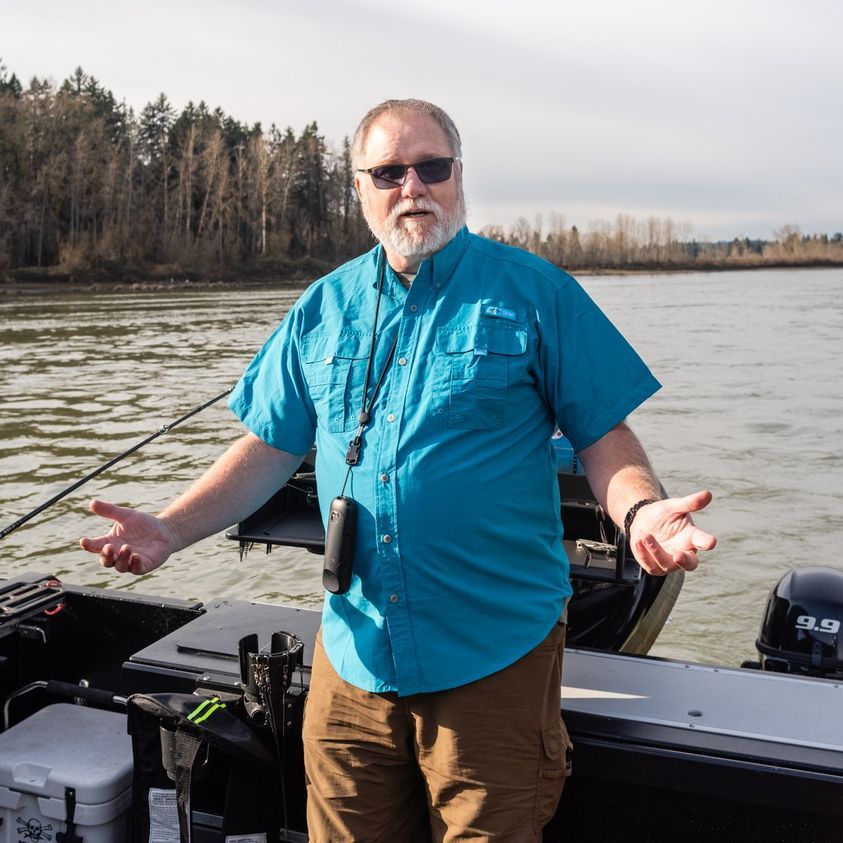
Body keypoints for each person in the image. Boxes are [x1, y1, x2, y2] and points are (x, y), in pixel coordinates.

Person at [80, 99, 716, 842]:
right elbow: (270, 447)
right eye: (388, 171)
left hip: (493, 655)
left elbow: (604, 437)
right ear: (360, 189)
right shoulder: (322, 307)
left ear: (458, 177)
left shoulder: (535, 293)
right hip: (353, 655)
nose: (412, 186)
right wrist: (167, 527)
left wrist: (641, 513)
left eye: (431, 167)